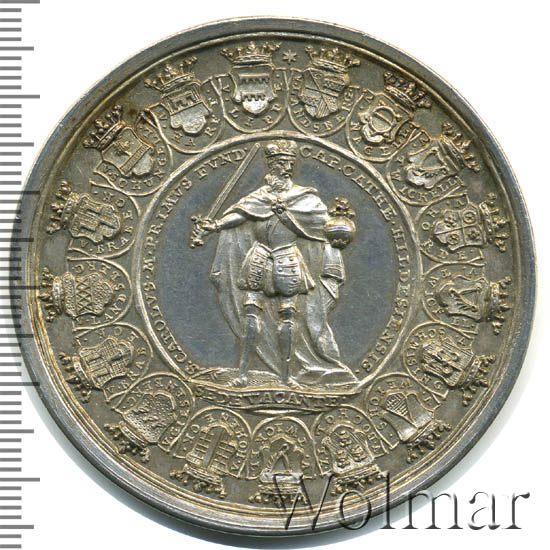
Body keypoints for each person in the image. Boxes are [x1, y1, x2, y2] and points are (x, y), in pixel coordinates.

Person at [195, 139, 357, 388]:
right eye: (281, 163)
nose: (286, 168)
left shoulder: (305, 198)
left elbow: (318, 229)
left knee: (289, 315)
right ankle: (243, 374)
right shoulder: (260, 196)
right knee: (250, 313)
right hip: (258, 255)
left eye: (289, 163)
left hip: (287, 256)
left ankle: (286, 376)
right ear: (271, 167)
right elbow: (241, 214)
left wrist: (285, 215)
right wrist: (215, 226)